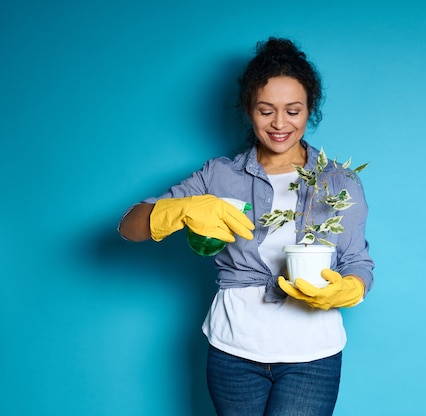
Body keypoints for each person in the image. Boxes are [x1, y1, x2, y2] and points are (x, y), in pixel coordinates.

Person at [118, 37, 374, 416]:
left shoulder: (339, 182)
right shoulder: (218, 176)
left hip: (312, 354)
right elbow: (129, 227)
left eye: (293, 110)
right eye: (266, 110)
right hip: (233, 349)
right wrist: (178, 211)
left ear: (310, 110)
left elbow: (357, 261)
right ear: (248, 110)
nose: (280, 123)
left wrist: (349, 288)